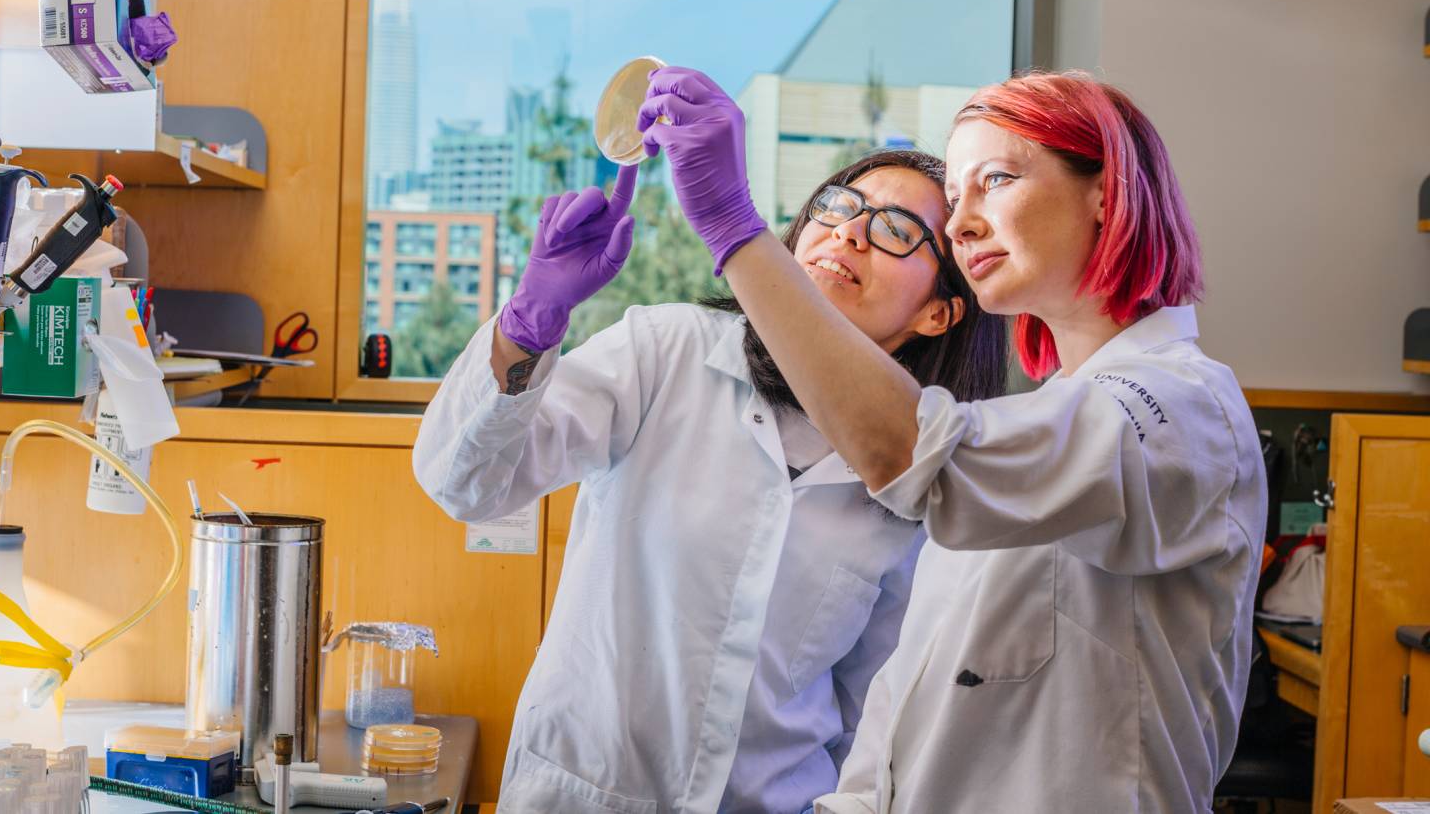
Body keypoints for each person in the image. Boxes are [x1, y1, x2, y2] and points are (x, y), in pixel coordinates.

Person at [639, 67, 1268, 812]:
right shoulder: (1041, 424)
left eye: (996, 179)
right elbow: (906, 707)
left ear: (1108, 190)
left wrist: (735, 230)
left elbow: (914, 455)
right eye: (957, 202)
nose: (962, 224)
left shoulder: (1181, 407)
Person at [413, 156, 1005, 813]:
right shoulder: (667, 351)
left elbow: (873, 710)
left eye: (895, 229)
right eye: (838, 205)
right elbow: (462, 482)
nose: (850, 233)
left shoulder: (919, 484)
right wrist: (531, 318)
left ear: (938, 314)